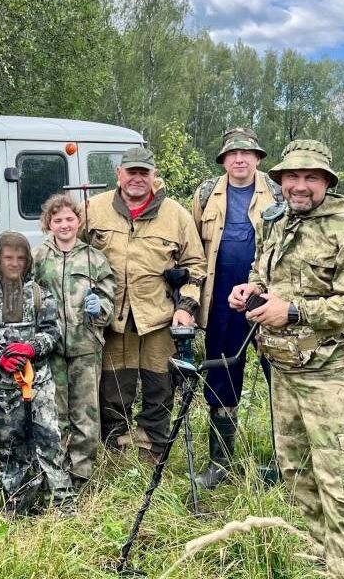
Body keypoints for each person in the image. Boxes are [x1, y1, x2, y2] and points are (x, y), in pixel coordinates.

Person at [229, 140, 344, 579]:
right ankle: (319, 553)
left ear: (327, 182)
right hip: (283, 366)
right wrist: (250, 291)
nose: (299, 186)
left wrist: (295, 311)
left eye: (310, 177)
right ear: (279, 181)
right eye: (291, 177)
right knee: (295, 467)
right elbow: (263, 271)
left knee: (340, 474)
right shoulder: (276, 222)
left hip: (328, 373)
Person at [85, 146, 207, 463]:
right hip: (113, 318)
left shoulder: (176, 215)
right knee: (113, 388)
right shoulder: (92, 209)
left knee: (159, 387)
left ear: (153, 176)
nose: (137, 178)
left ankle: (152, 448)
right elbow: (69, 249)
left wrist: (186, 307)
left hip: (159, 317)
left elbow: (196, 266)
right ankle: (116, 448)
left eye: (144, 172)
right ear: (119, 174)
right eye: (131, 172)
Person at [190, 127, 281, 489]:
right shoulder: (205, 194)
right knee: (222, 375)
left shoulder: (277, 192)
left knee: (281, 378)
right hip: (221, 303)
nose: (239, 160)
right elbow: (194, 247)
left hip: (269, 300)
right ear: (224, 160)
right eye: (232, 154)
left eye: (246, 154)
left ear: (258, 158)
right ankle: (220, 462)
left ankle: (284, 462)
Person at [0, 231, 74, 514]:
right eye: (8, 258)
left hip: (39, 383)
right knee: (9, 444)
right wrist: (1, 356)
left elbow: (53, 333)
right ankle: (17, 503)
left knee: (50, 439)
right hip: (1, 388)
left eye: (20, 258)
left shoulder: (42, 294)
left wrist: (30, 348)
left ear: (28, 261)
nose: (14, 263)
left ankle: (63, 503)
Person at [31, 193, 115, 486]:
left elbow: (108, 300)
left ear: (78, 222)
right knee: (56, 412)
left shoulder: (94, 257)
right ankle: (56, 474)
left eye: (69, 219)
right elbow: (30, 294)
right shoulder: (39, 256)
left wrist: (99, 308)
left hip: (85, 345)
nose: (64, 225)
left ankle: (80, 473)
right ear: (48, 224)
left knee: (86, 414)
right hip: (51, 348)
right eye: (57, 220)